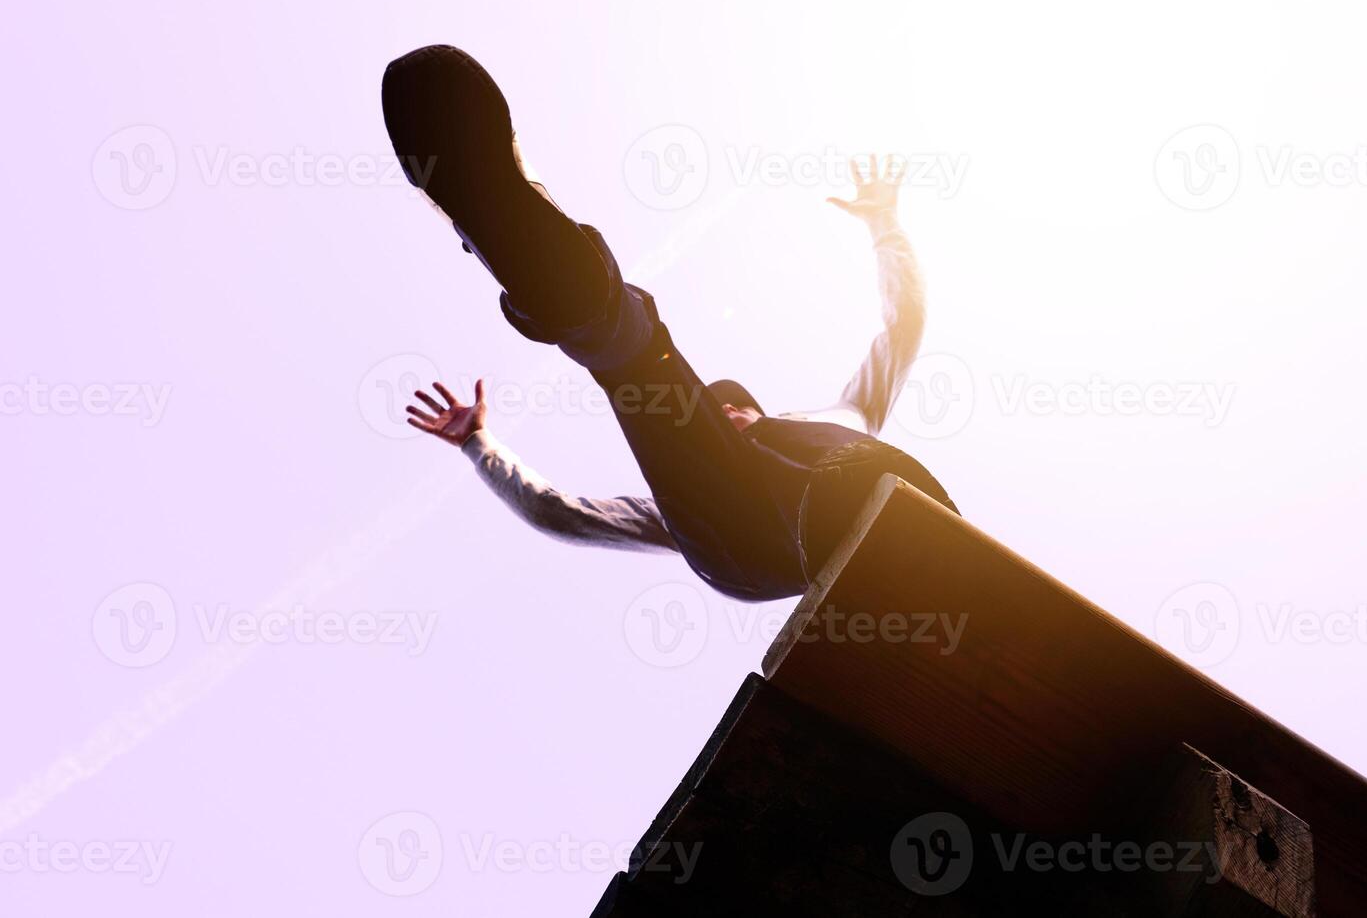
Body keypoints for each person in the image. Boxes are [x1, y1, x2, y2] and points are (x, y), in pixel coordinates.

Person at [382, 44, 957, 602]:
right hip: (744, 544)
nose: (727, 411)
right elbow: (558, 513)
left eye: (736, 408)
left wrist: (886, 225)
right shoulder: (675, 498)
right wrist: (479, 446)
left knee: (661, 378)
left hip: (867, 491)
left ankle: (561, 278)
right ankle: (533, 248)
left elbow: (902, 325)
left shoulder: (846, 416)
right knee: (644, 370)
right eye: (720, 406)